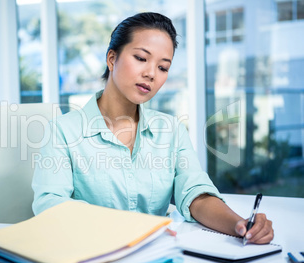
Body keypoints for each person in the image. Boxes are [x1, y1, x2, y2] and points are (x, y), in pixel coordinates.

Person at [32, 12, 274, 244]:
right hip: (92, 256)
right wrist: (123, 227)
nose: (150, 74)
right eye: (141, 58)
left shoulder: (171, 130)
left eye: (163, 67)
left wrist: (240, 225)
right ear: (112, 58)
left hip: (158, 254)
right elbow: (50, 204)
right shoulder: (62, 131)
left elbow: (195, 195)